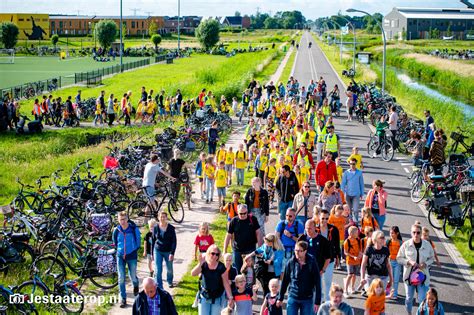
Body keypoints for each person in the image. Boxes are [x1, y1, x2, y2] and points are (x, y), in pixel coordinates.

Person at [397, 224, 435, 315]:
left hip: (423, 277)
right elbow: (399, 258)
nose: (416, 234)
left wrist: (425, 264)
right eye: (414, 232)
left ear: (421, 233)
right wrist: (408, 262)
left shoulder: (427, 245)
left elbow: (431, 258)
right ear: (411, 233)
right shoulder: (406, 245)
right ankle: (409, 312)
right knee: (409, 299)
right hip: (409, 277)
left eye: (418, 232)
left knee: (422, 299)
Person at [277, 241, 322, 314]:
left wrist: (317, 301)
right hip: (293, 297)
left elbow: (317, 282)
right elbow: (285, 281)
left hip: (307, 299)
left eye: (300, 251)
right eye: (296, 250)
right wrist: (280, 298)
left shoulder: (312, 262)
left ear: (305, 251)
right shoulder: (290, 262)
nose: (297, 252)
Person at [191, 245, 233, 314]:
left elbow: (226, 283)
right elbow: (193, 273)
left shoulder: (221, 267)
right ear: (208, 253)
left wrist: (230, 297)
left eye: (217, 254)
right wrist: (200, 264)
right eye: (213, 253)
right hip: (204, 296)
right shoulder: (204, 264)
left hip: (217, 297)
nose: (215, 256)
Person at [112, 211, 141, 308]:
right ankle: (123, 298)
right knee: (121, 278)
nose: (122, 222)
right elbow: (115, 241)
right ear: (118, 220)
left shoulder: (133, 229)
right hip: (120, 256)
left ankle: (136, 285)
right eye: (120, 220)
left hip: (132, 255)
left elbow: (138, 241)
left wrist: (133, 250)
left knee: (132, 275)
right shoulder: (116, 230)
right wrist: (120, 251)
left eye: (124, 219)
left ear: (127, 219)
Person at [224, 204, 263, 272]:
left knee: (250, 271)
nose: (243, 215)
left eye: (245, 213)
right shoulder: (234, 221)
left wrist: (260, 249)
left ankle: (249, 283)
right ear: (237, 212)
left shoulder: (253, 219)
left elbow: (259, 233)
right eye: (240, 213)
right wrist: (225, 250)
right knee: (237, 270)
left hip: (250, 250)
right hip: (237, 250)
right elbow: (228, 235)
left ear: (247, 212)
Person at [317, 210, 341, 302]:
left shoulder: (333, 229)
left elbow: (337, 244)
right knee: (318, 281)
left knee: (327, 281)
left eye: (327, 218)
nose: (324, 220)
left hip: (330, 260)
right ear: (319, 217)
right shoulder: (315, 229)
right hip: (318, 260)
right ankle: (319, 299)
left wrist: (338, 258)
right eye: (322, 218)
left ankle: (327, 300)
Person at [152, 211, 177, 290]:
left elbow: (174, 241)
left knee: (169, 268)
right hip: (158, 250)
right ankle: (160, 287)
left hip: (168, 251)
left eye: (164, 217)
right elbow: (153, 240)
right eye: (161, 217)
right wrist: (152, 253)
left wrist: (172, 253)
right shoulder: (155, 228)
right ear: (158, 218)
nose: (162, 218)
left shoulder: (171, 228)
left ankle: (170, 281)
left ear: (166, 218)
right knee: (158, 269)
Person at [341, 158, 365, 223]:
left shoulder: (359, 172)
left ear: (356, 164)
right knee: (348, 210)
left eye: (353, 164)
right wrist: (342, 193)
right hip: (348, 194)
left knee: (355, 210)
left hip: (356, 194)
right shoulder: (346, 173)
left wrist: (362, 193)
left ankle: (355, 223)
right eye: (350, 164)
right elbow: (343, 183)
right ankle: (349, 223)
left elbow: (361, 183)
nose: (352, 165)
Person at [343, 226, 362, 298]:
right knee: (350, 274)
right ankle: (345, 290)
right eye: (356, 232)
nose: (358, 234)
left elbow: (360, 249)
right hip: (350, 261)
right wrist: (353, 256)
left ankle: (352, 287)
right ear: (351, 233)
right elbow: (345, 252)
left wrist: (360, 254)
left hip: (357, 261)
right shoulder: (347, 242)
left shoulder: (358, 240)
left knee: (354, 275)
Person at [386, 226, 403, 299]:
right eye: (390, 233)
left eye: (392, 233)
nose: (391, 234)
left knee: (396, 279)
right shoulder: (388, 241)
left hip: (397, 263)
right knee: (390, 279)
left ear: (397, 233)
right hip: (389, 262)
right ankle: (388, 292)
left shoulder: (401, 242)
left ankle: (394, 294)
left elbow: (403, 253)